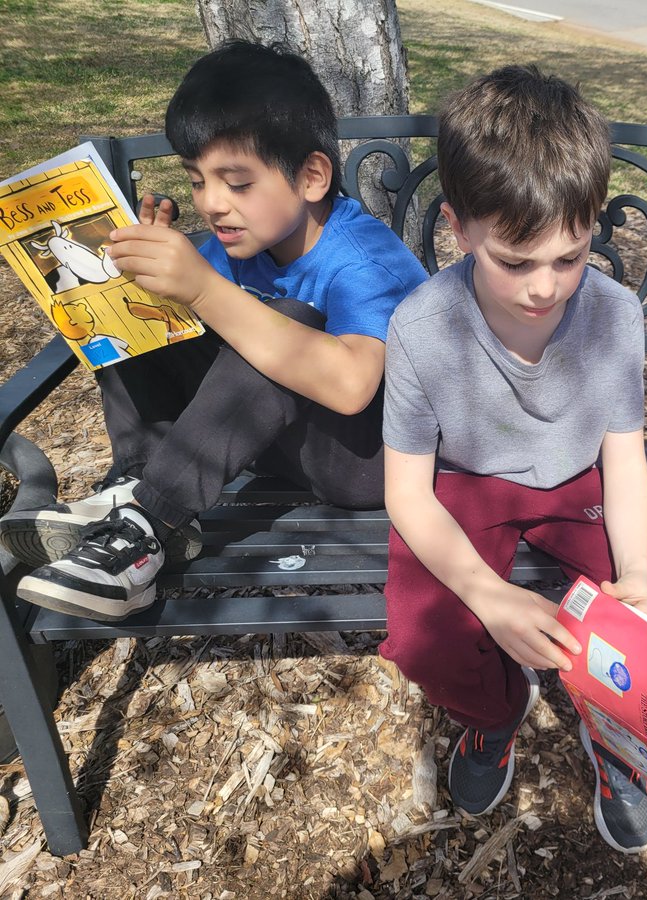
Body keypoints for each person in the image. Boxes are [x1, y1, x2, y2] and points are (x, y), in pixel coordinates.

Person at [379, 65, 647, 854]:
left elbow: (623, 457)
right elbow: (408, 493)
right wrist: (487, 596)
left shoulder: (612, 313)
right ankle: (494, 720)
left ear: (593, 221)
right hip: (466, 487)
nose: (545, 287)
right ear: (460, 228)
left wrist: (634, 574)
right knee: (429, 637)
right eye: (516, 262)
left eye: (569, 257)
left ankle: (618, 733)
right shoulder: (420, 327)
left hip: (579, 486)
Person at [1, 41, 427, 621]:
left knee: (282, 322)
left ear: (311, 176)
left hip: (366, 458)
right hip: (281, 442)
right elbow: (200, 328)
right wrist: (150, 282)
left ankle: (149, 525)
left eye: (238, 183)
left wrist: (201, 287)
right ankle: (138, 485)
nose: (213, 205)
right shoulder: (245, 242)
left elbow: (353, 385)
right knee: (138, 308)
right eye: (199, 181)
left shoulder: (362, 260)